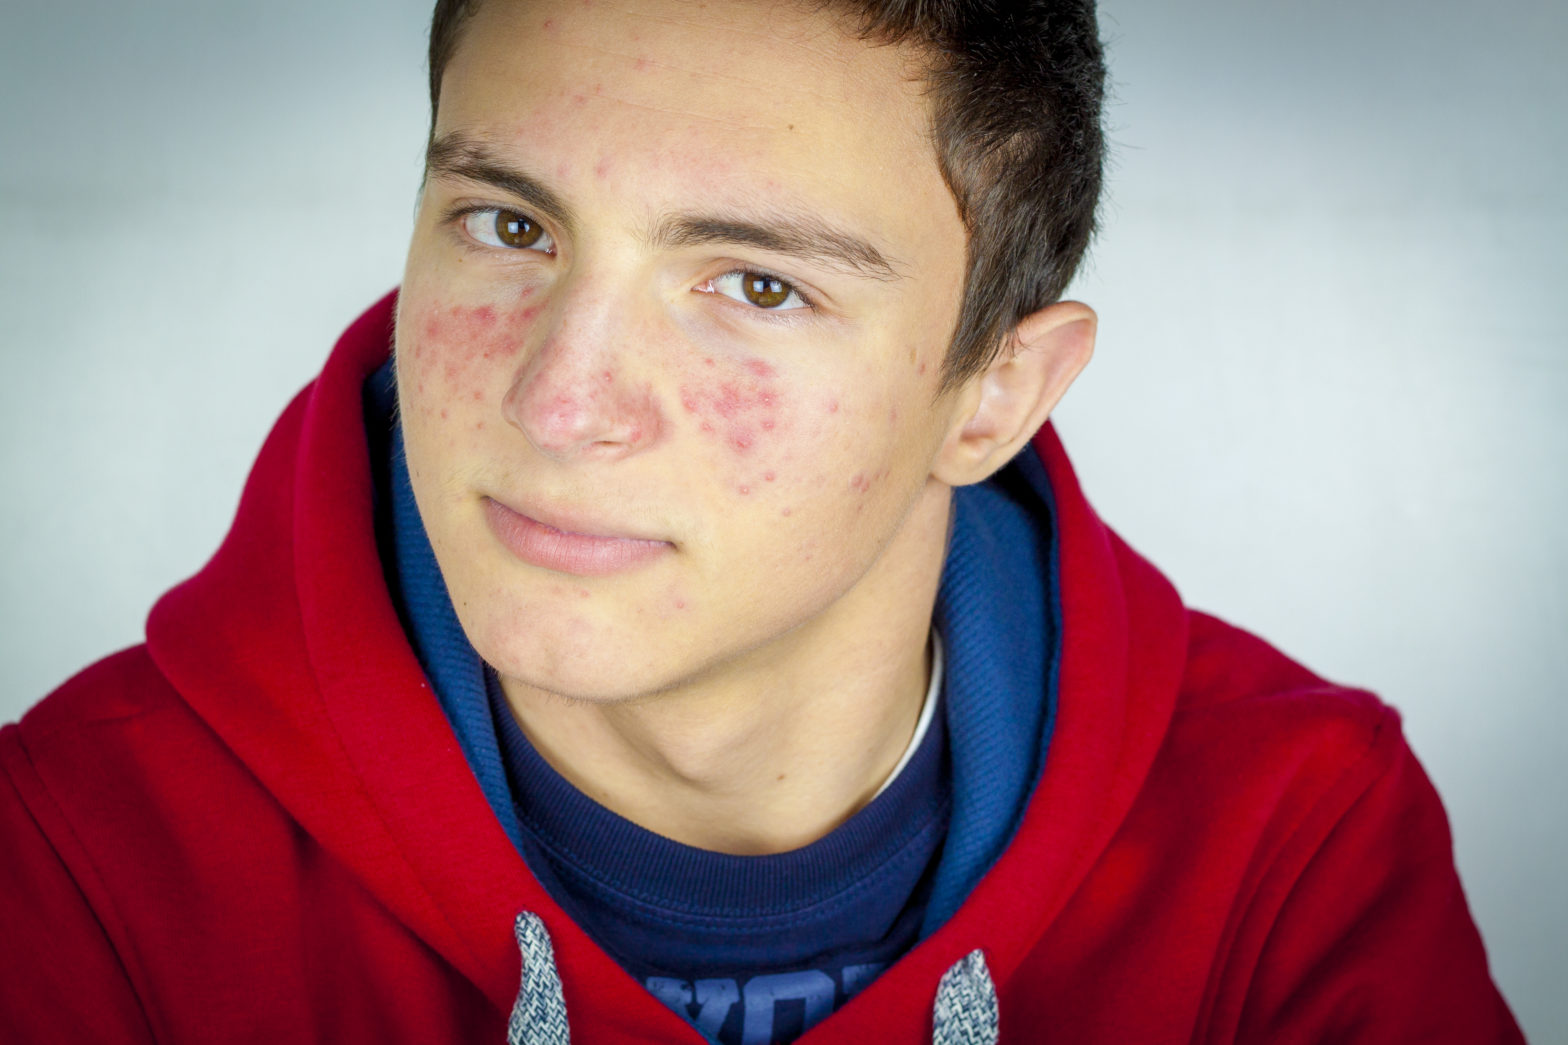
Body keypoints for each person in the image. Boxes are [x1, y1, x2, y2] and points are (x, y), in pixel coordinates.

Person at [0, 1, 1525, 1042]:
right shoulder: (77, 857)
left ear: (993, 392)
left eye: (758, 284)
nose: (561, 400)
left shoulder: (1296, 842)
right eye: (509, 225)